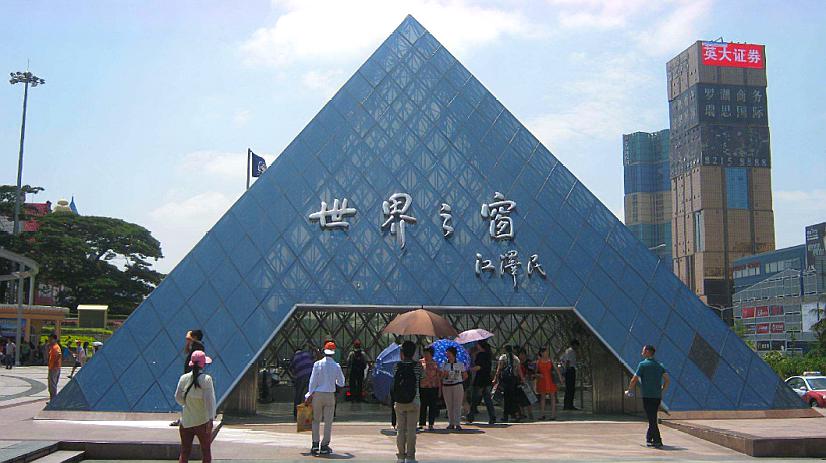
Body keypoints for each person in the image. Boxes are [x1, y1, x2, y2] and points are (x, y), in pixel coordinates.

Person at [175, 350, 216, 463]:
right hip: (202, 422)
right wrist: (211, 419)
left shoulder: (183, 378)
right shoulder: (206, 379)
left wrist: (186, 403)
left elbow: (177, 398)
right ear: (203, 364)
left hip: (186, 421)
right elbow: (210, 401)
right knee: (206, 451)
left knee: (185, 452)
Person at [305, 341, 345, 456]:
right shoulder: (336, 366)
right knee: (328, 422)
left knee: (315, 420)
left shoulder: (317, 364)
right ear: (334, 352)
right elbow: (341, 383)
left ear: (324, 351)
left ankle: (315, 444)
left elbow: (312, 381)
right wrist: (334, 381)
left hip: (318, 395)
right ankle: (324, 445)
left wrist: (309, 394)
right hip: (330, 395)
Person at [626, 345, 670, 449]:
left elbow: (634, 379)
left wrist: (629, 390)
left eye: (643, 350)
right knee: (652, 417)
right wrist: (662, 390)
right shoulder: (660, 365)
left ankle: (658, 440)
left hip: (647, 396)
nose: (641, 352)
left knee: (652, 419)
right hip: (657, 396)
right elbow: (667, 380)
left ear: (647, 351)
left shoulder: (643, 365)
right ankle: (649, 439)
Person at [393, 341, 423, 463]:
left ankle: (401, 456)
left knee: (400, 430)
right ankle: (410, 456)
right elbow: (422, 379)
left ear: (402, 352)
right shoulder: (418, 366)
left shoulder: (397, 366)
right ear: (414, 352)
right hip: (414, 400)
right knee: (411, 430)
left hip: (399, 401)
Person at [466, 340, 496, 424]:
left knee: (475, 398)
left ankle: (471, 416)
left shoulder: (481, 355)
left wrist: (469, 369)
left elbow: (479, 367)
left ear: (480, 346)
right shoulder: (488, 355)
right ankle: (492, 417)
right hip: (487, 378)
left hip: (480, 379)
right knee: (487, 399)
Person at [440, 346, 467, 431]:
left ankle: (457, 423)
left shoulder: (460, 364)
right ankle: (451, 423)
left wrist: (458, 379)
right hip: (446, 386)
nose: (447, 355)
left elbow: (465, 375)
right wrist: (444, 375)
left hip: (457, 385)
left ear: (453, 354)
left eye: (449, 353)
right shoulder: (444, 364)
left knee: (457, 405)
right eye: (447, 353)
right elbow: (440, 377)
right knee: (449, 405)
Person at [494, 345, 523, 422]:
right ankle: (516, 414)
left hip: (505, 380)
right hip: (514, 380)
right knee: (513, 398)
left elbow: (499, 369)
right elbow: (519, 370)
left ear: (505, 350)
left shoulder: (503, 358)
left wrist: (495, 378)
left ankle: (506, 416)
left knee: (506, 399)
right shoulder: (516, 358)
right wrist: (522, 379)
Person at [535, 347, 562, 420]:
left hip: (550, 380)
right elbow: (535, 372)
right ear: (541, 353)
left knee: (552, 397)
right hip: (542, 380)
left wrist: (560, 378)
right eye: (545, 352)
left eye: (547, 352)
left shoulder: (551, 361)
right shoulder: (538, 362)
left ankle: (553, 415)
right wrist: (538, 375)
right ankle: (542, 414)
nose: (546, 353)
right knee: (542, 397)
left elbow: (557, 370)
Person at [418, 346, 441, 431]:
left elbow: (438, 377)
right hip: (423, 387)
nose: (426, 355)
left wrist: (440, 389)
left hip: (433, 387)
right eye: (424, 353)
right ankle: (421, 423)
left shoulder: (435, 363)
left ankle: (431, 423)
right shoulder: (420, 363)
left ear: (431, 354)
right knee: (422, 406)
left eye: (427, 353)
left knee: (432, 406)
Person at [290, 345, 315, 419]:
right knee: (310, 394)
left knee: (298, 394)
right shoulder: (307, 354)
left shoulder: (294, 357)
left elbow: (292, 369)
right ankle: (310, 413)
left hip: (301, 377)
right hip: (311, 375)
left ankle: (296, 413)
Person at [562, 339, 579, 410]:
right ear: (574, 344)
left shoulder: (569, 351)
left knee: (570, 388)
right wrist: (566, 370)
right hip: (570, 370)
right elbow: (567, 361)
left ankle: (568, 404)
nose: (577, 347)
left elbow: (563, 360)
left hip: (570, 370)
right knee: (570, 388)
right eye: (577, 345)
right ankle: (568, 405)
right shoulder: (570, 351)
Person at [47, 335, 62, 401]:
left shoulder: (55, 347)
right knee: (52, 384)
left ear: (55, 339)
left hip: (54, 368)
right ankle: (52, 399)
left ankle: (53, 400)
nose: (49, 341)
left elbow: (59, 355)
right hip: (53, 367)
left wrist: (55, 365)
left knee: (52, 385)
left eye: (51, 339)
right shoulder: (53, 347)